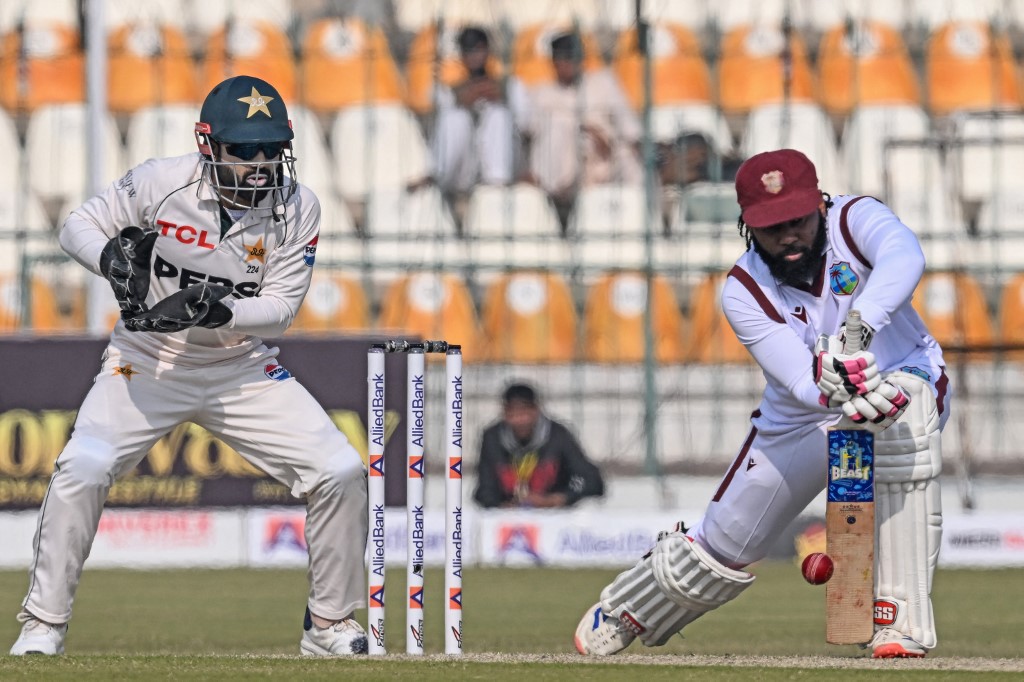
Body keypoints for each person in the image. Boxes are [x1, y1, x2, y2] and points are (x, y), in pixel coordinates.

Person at [9, 75, 369, 657]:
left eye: (271, 150)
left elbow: (278, 311)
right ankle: (43, 624)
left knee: (340, 471)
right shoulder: (160, 181)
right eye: (244, 151)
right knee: (84, 466)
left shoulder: (299, 207)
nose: (259, 165)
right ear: (208, 144)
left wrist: (219, 309)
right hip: (145, 359)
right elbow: (75, 224)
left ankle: (328, 623)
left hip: (240, 365)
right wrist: (109, 259)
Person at [573, 149, 950, 659]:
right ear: (748, 225)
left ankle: (898, 621)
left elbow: (906, 256)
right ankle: (631, 606)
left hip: (902, 370)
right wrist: (831, 381)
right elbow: (799, 381)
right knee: (728, 539)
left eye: (795, 220)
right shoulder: (743, 289)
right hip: (802, 414)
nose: (787, 236)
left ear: (818, 204)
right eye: (771, 227)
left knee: (904, 413)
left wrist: (858, 329)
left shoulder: (854, 218)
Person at [523, 31, 642, 228]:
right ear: (553, 61)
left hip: (604, 159)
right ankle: (558, 208)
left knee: (631, 160)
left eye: (573, 57)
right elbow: (527, 136)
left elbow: (630, 128)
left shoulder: (604, 83)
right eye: (563, 58)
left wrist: (605, 138)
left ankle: (639, 222)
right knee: (560, 130)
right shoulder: (540, 93)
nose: (569, 63)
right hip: (558, 170)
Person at [431, 26, 531, 198]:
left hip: (505, 164)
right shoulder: (450, 92)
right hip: (466, 168)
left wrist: (502, 99)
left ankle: (497, 182)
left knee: (498, 115)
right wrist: (463, 101)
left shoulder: (511, 85)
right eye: (468, 50)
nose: (474, 56)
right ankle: (437, 178)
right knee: (455, 118)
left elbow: (527, 125)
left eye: (478, 49)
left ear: (487, 50)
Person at [474, 383, 605, 509]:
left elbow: (592, 481)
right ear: (504, 413)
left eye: (524, 413)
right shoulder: (492, 438)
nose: (519, 421)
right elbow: (484, 489)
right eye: (512, 414)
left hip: (554, 515)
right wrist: (505, 506)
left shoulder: (558, 435)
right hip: (507, 517)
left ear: (536, 410)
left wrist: (557, 499)